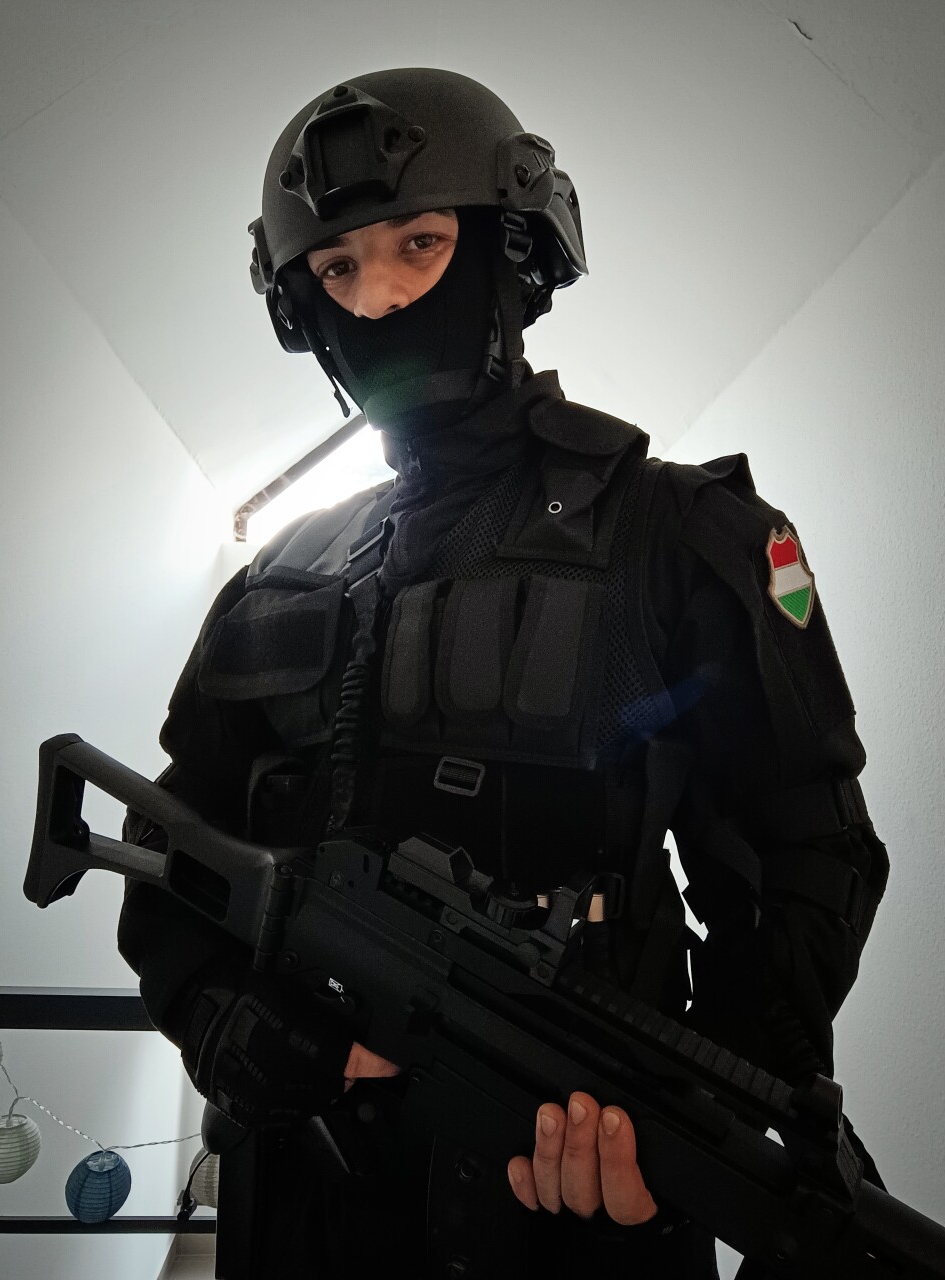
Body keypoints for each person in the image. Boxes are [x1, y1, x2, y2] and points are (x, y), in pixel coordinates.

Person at [116, 67, 889, 1277]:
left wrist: (693, 1114)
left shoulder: (680, 536)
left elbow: (811, 856)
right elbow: (171, 844)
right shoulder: (279, 571)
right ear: (304, 307)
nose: (379, 300)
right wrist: (216, 1012)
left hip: (572, 1214)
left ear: (512, 255)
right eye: (338, 270)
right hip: (298, 1209)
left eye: (420, 245)